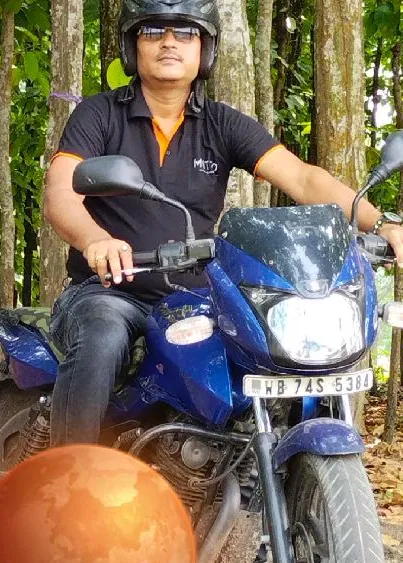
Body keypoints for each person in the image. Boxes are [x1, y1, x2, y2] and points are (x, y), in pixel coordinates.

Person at [44, 0, 403, 449]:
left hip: (196, 297)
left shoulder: (222, 124)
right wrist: (95, 239)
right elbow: (61, 193)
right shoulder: (98, 115)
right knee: (103, 334)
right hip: (110, 291)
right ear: (132, 46)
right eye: (153, 31)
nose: (170, 42)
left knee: (273, 342)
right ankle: (70, 480)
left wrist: (382, 223)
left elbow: (305, 179)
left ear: (206, 49)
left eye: (186, 33)